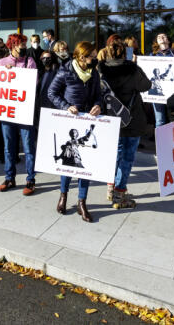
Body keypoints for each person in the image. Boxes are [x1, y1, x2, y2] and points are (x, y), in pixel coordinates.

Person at [47, 41, 104, 222]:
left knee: (85, 166)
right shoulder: (65, 71)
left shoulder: (93, 74)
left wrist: (98, 105)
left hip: (87, 121)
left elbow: (99, 96)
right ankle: (63, 196)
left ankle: (82, 202)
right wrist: (66, 106)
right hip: (70, 122)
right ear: (81, 57)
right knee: (68, 164)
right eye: (91, 57)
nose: (94, 60)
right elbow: (51, 93)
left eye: (95, 57)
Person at [100, 40, 151, 209]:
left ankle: (110, 188)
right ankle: (119, 193)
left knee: (113, 155)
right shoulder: (132, 69)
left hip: (110, 119)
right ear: (124, 53)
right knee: (127, 157)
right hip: (132, 119)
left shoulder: (101, 69)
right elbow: (146, 85)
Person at [0, 34, 39, 195]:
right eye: (20, 45)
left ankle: (30, 180)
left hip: (24, 112)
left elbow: (32, 84)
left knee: (28, 148)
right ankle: (9, 178)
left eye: (24, 44)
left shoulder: (29, 62)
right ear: (12, 46)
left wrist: (16, 74)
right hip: (7, 113)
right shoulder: (1, 63)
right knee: (9, 148)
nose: (23, 47)